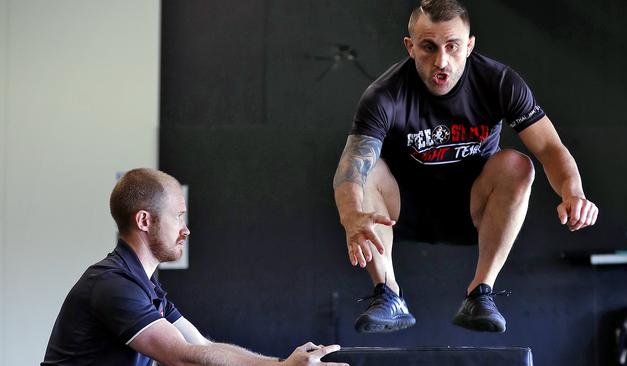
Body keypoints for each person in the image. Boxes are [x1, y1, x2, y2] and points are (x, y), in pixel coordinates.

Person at [333, 0, 598, 334]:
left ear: (469, 46)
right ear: (410, 47)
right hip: (401, 209)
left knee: (517, 164)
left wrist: (573, 193)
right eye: (428, 48)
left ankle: (481, 293)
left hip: (474, 207)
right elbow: (351, 164)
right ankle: (387, 293)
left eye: (453, 46)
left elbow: (548, 147)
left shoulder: (499, 82)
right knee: (366, 170)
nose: (441, 61)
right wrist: (351, 215)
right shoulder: (385, 95)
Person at [42, 168, 347, 366]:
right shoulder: (113, 284)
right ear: (145, 221)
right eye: (178, 216)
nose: (186, 230)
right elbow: (182, 357)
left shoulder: (146, 288)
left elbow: (199, 344)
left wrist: (281, 364)